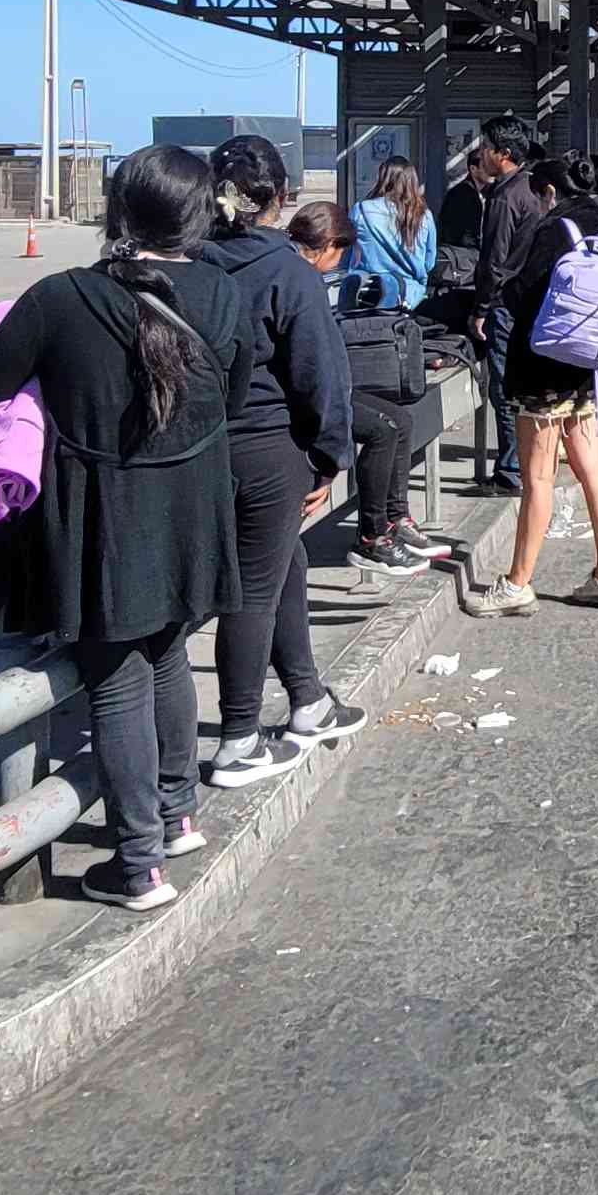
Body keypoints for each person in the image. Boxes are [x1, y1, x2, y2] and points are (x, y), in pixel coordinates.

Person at [0, 145, 251, 912]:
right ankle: (178, 815)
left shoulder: (60, 298)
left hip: (104, 518)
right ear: (200, 215)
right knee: (169, 653)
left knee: (116, 680)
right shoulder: (223, 292)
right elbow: (236, 394)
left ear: (118, 212)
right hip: (192, 507)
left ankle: (139, 864)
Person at [189, 135, 363, 790]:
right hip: (269, 449)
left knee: (285, 564)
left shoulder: (191, 261)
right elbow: (321, 374)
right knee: (252, 593)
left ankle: (308, 699)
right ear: (282, 198)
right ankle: (238, 739)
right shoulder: (289, 272)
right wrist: (329, 458)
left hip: (201, 448)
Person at [468, 157, 598, 615]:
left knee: (538, 479)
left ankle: (517, 583)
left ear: (548, 192)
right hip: (588, 371)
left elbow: (520, 295)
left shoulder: (554, 230)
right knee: (595, 473)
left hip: (543, 372)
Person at [291, 199, 444, 581]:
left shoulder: (302, 274)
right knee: (383, 428)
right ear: (329, 245)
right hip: (307, 395)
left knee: (400, 420)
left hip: (325, 385)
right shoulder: (300, 279)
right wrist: (332, 457)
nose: (338, 265)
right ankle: (371, 536)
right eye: (339, 256)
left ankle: (394, 519)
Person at [469, 114, 549, 492]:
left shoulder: (504, 196)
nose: (480, 153)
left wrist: (480, 308)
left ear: (502, 154)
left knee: (504, 389)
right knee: (526, 385)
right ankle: (527, 460)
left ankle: (511, 469)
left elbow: (494, 261)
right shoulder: (531, 188)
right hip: (530, 300)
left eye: (486, 146)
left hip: (505, 304)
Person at [354, 157, 435, 313]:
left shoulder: (361, 210)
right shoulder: (424, 215)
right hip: (410, 296)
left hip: (368, 293)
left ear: (382, 178)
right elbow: (429, 262)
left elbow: (349, 255)